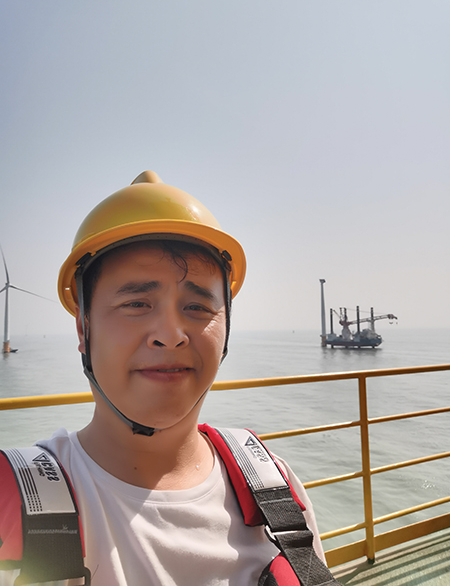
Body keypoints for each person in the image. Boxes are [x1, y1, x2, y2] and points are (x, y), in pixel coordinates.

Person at [0, 171, 333, 586]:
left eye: (198, 307)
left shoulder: (273, 487)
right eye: (137, 303)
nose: (172, 335)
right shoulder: (16, 506)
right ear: (84, 329)